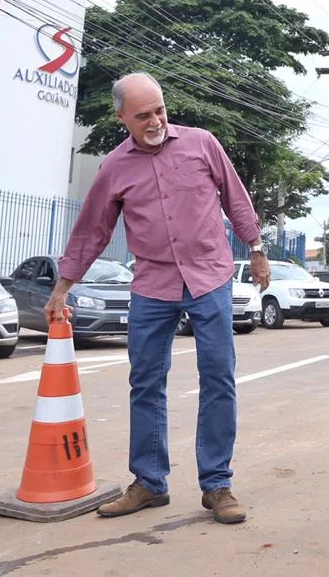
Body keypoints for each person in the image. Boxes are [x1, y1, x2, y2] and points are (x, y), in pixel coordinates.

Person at [46, 72, 270, 525]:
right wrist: (63, 286)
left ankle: (217, 484)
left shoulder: (202, 143)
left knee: (218, 378)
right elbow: (93, 229)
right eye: (143, 115)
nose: (156, 122)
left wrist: (258, 249)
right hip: (152, 285)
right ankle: (149, 482)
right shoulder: (114, 167)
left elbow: (236, 198)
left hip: (209, 278)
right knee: (145, 382)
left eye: (160, 111)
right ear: (122, 117)